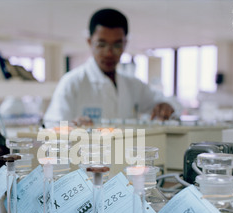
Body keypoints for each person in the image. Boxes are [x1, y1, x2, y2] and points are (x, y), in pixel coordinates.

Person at [44, 8, 177, 126]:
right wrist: (72, 127)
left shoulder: (133, 85)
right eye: (101, 45)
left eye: (117, 45)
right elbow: (52, 126)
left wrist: (166, 106)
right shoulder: (72, 82)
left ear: (125, 44)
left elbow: (168, 103)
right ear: (90, 42)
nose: (109, 53)